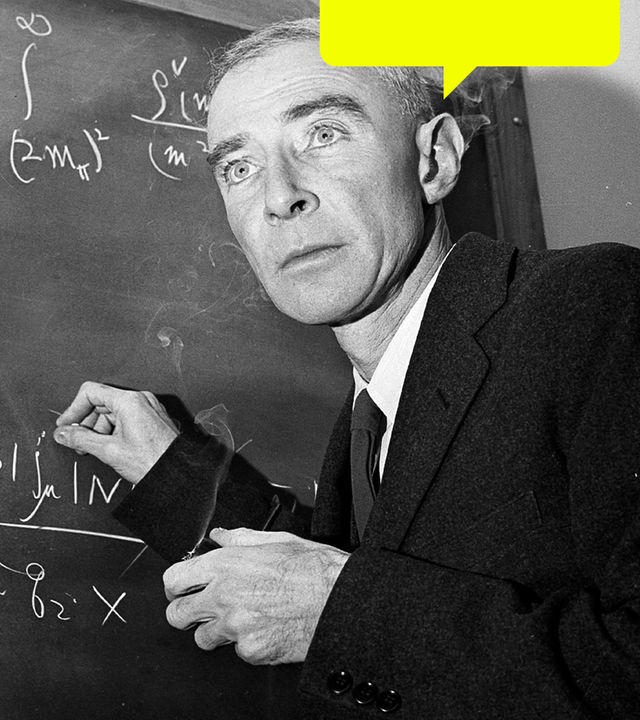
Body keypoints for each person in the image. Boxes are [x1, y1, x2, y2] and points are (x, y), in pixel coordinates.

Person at [52, 18, 640, 719]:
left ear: (435, 160)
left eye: (323, 134)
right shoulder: (368, 414)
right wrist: (168, 468)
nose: (279, 196)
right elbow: (340, 573)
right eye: (239, 167)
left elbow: (345, 598)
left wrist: (341, 611)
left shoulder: (594, 305)